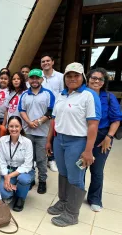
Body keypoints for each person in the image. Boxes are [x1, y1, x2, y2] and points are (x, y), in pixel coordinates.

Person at [46, 62, 101, 227]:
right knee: (63, 173)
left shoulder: (89, 95)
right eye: (68, 76)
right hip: (59, 140)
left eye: (75, 75)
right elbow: (54, 120)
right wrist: (49, 140)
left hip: (77, 142)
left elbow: (93, 125)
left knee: (75, 177)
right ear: (64, 78)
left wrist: (88, 150)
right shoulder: (61, 95)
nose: (72, 79)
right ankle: (63, 201)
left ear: (82, 77)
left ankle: (72, 213)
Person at [86, 68, 122, 212]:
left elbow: (116, 119)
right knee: (80, 167)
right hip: (83, 136)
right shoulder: (81, 94)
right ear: (88, 79)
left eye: (100, 79)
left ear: (104, 82)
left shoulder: (108, 97)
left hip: (102, 137)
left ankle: (94, 198)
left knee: (97, 169)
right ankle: (76, 195)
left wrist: (109, 136)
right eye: (93, 78)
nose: (96, 81)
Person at [19, 68, 55, 194]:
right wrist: (29, 122)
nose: (34, 80)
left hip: (43, 133)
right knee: (28, 158)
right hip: (28, 132)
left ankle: (42, 181)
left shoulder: (48, 94)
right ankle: (30, 179)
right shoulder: (24, 94)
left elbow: (51, 111)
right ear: (28, 80)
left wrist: (39, 121)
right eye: (32, 78)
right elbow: (21, 110)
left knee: (41, 159)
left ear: (41, 79)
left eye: (37, 78)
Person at [0, 116, 34, 211]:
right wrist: (6, 176)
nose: (14, 129)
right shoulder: (2, 140)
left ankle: (21, 198)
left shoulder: (27, 142)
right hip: (8, 170)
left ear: (21, 127)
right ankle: (18, 188)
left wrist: (10, 176)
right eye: (11, 126)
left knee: (23, 179)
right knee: (4, 194)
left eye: (16, 126)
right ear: (7, 127)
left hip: (23, 172)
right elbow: (2, 162)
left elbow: (27, 165)